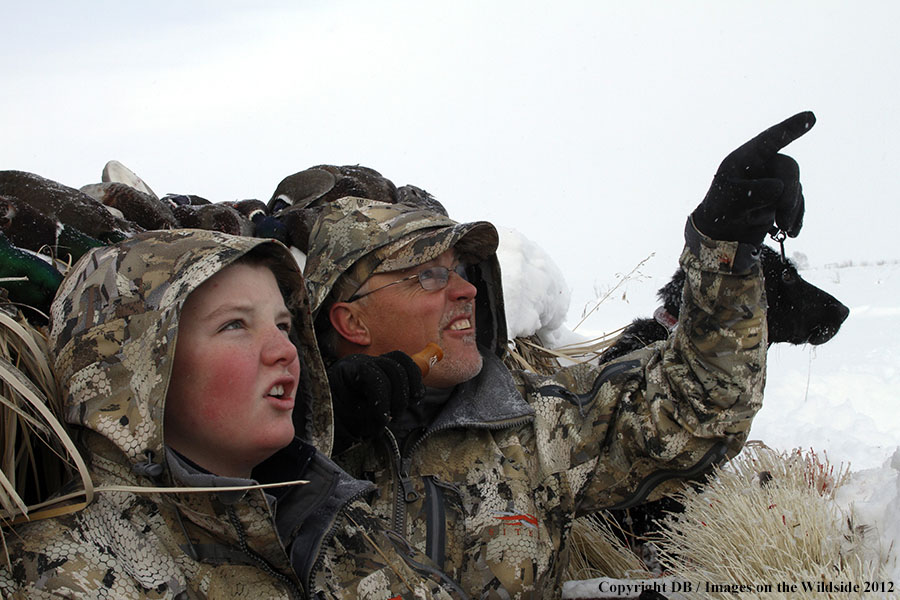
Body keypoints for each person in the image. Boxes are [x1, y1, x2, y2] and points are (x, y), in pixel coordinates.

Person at [301, 112, 816, 599]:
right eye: (430, 274)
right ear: (352, 321)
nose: (467, 292)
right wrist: (314, 439)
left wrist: (724, 248)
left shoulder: (532, 422)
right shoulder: (269, 450)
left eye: (460, 270)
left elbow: (698, 408)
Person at [0, 229, 467, 599]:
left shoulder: (339, 519)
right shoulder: (62, 575)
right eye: (235, 324)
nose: (284, 349)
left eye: (284, 325)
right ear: (133, 370)